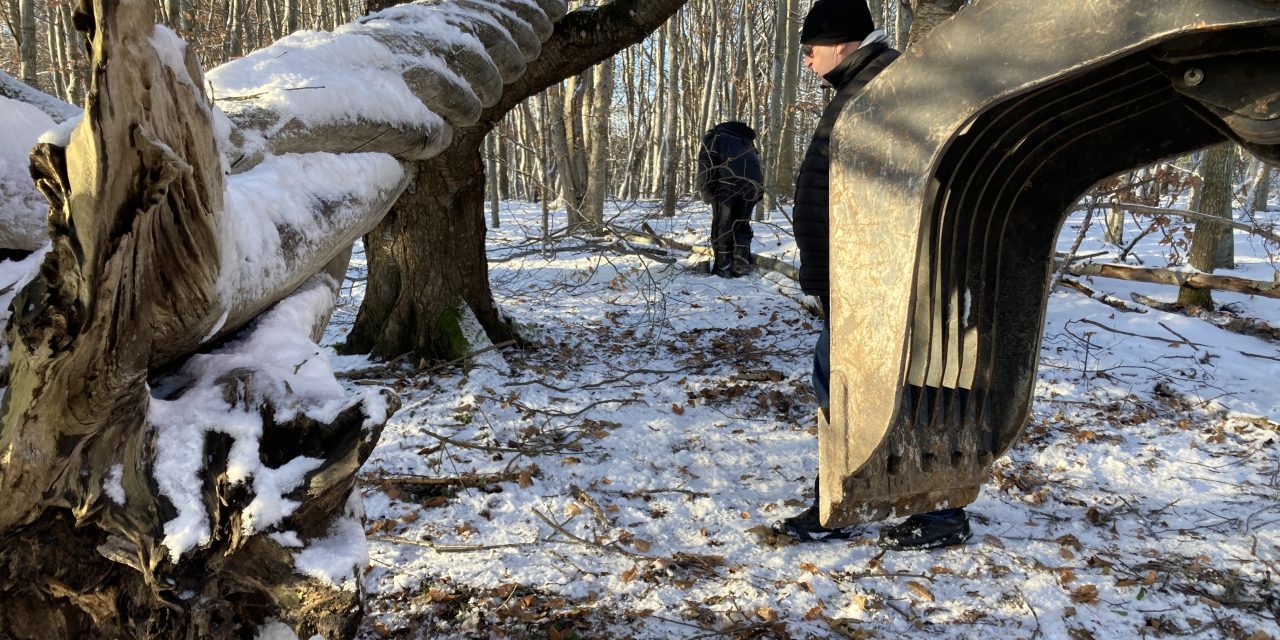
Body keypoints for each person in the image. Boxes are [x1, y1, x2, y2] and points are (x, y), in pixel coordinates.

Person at [772, 0, 972, 550]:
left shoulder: (885, 88)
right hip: (862, 275)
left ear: (842, 42)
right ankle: (869, 501)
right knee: (857, 385)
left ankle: (915, 508)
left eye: (810, 49)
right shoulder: (863, 88)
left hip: (884, 278)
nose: (807, 60)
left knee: (875, 386)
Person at [696, 121, 764, 278]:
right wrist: (758, 191)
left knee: (723, 225)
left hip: (726, 184)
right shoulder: (747, 141)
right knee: (742, 224)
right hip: (752, 186)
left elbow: (706, 162)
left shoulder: (715, 136)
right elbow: (756, 167)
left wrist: (705, 188)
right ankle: (740, 264)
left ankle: (723, 268)